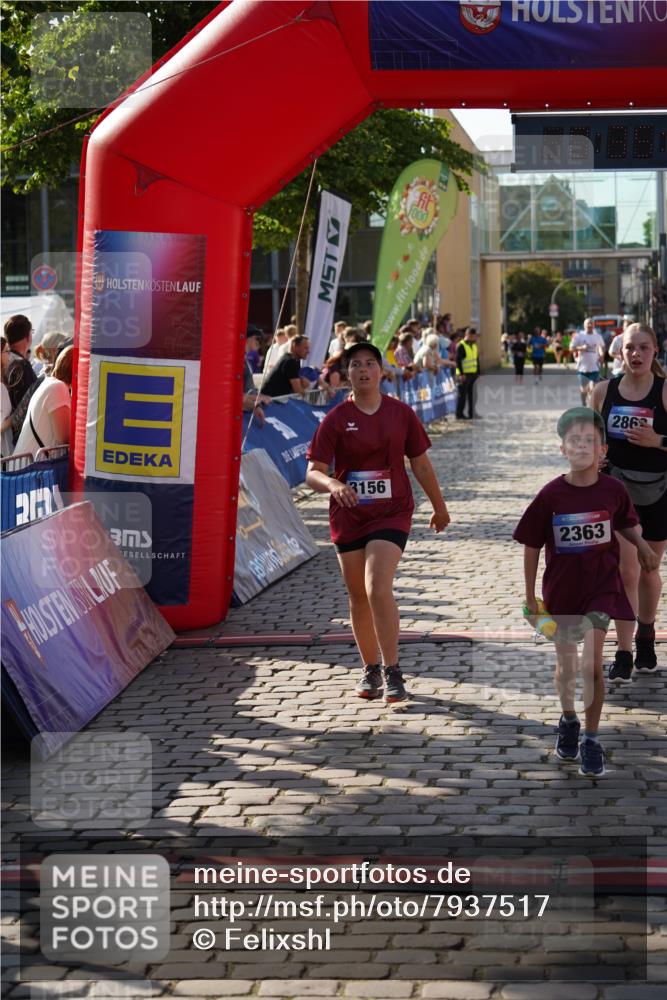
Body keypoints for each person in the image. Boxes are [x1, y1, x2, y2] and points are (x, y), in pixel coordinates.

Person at [513, 407, 658, 777]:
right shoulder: (550, 495)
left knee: (592, 664)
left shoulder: (614, 490)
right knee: (566, 667)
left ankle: (591, 739)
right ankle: (568, 719)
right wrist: (531, 597)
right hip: (561, 591)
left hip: (601, 589)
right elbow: (530, 544)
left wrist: (641, 547)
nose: (581, 446)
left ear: (602, 451)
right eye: (573, 440)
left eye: (589, 440)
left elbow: (626, 523)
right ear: (563, 449)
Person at [305, 341, 450, 704]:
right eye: (356, 365)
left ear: (382, 371)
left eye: (371, 364)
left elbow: (420, 463)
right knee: (357, 596)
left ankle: (392, 669)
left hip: (392, 510)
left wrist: (439, 506)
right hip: (349, 514)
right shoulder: (336, 419)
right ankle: (369, 667)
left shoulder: (401, 414)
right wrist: (334, 484)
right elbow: (313, 473)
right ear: (346, 374)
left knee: (376, 586)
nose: (364, 371)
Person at [592, 322, 667, 683]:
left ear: (654, 352)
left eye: (643, 348)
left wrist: (658, 440)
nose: (636, 354)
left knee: (649, 569)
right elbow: (589, 437)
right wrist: (595, 458)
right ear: (619, 353)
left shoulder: (665, 391)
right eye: (629, 348)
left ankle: (646, 635)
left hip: (658, 491)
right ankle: (623, 651)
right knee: (626, 570)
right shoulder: (603, 390)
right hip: (618, 492)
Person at [14, 345, 74, 455]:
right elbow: (65, 440)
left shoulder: (49, 383)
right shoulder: (58, 388)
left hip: (28, 466)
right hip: (33, 469)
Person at [3, 314, 37, 410]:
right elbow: (28, 405)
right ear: (28, 337)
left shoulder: (5, 360)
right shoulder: (22, 366)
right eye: (31, 332)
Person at [570, 317, 606, 405]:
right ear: (584, 325)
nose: (590, 325)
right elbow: (571, 348)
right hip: (582, 368)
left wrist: (601, 355)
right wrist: (581, 348)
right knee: (583, 389)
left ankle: (592, 405)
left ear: (594, 325)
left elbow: (601, 347)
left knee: (593, 387)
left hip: (594, 367)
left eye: (591, 323)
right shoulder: (579, 336)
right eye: (588, 324)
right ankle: (584, 404)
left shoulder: (597, 336)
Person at [455, 326, 480, 420]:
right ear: (467, 335)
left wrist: (478, 373)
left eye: (475, 336)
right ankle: (459, 414)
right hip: (464, 375)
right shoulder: (461, 346)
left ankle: (472, 413)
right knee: (462, 395)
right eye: (473, 336)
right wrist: (461, 374)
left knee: (473, 395)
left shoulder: (474, 345)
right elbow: (458, 361)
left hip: (473, 374)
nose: (475, 338)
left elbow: (476, 360)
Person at [1, 337, 14, 457]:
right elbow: (1, 424)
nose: (9, 354)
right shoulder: (1, 387)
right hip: (3, 451)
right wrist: (18, 414)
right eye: (6, 351)